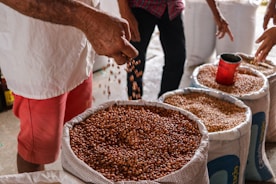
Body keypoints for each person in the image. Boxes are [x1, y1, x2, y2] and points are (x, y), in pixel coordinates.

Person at [0, 0, 138, 173]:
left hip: (78, 48)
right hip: (39, 57)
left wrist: (100, 17)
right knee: (36, 152)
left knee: (77, 136)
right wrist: (87, 19)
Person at [117, 0, 232, 100]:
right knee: (135, 58)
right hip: (142, 5)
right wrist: (125, 12)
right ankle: (134, 103)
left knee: (177, 58)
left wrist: (217, 14)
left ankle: (163, 105)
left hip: (170, 6)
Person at [181, 0, 261, 87]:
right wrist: (217, 14)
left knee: (231, 66)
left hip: (237, 4)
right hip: (201, 3)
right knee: (197, 62)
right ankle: (190, 93)